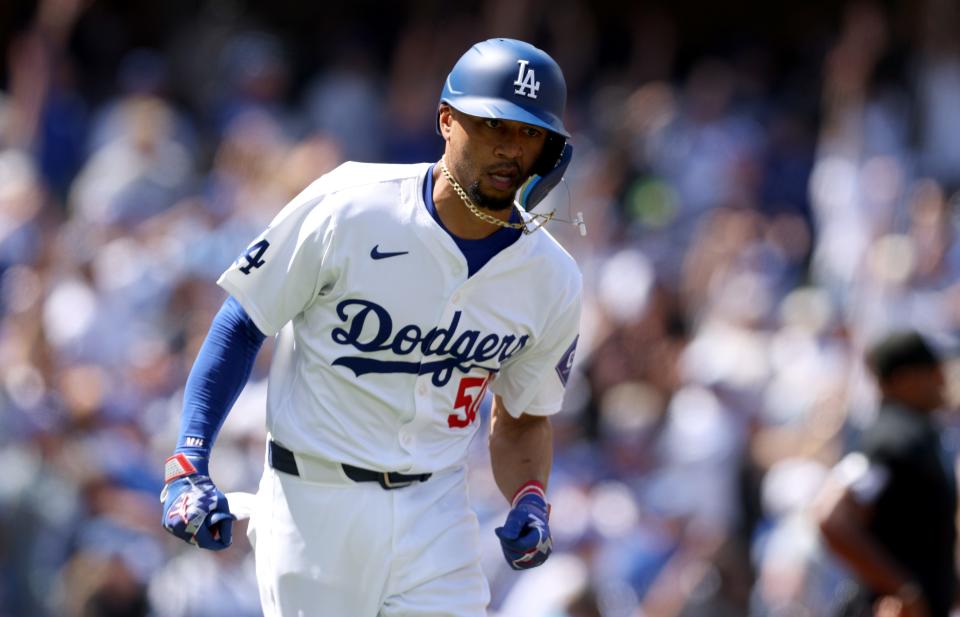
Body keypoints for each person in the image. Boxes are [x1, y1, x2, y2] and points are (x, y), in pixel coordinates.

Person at [159, 38, 582, 617]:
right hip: (314, 504)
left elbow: (524, 416)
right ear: (446, 120)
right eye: (493, 125)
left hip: (438, 511)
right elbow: (242, 322)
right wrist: (188, 460)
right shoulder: (351, 205)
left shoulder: (552, 276)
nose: (510, 147)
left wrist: (531, 496)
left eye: (529, 133)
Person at [814, 330, 957, 617]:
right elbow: (832, 515)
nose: (942, 382)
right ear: (903, 380)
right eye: (932, 372)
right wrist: (901, 586)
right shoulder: (894, 438)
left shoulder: (918, 435)